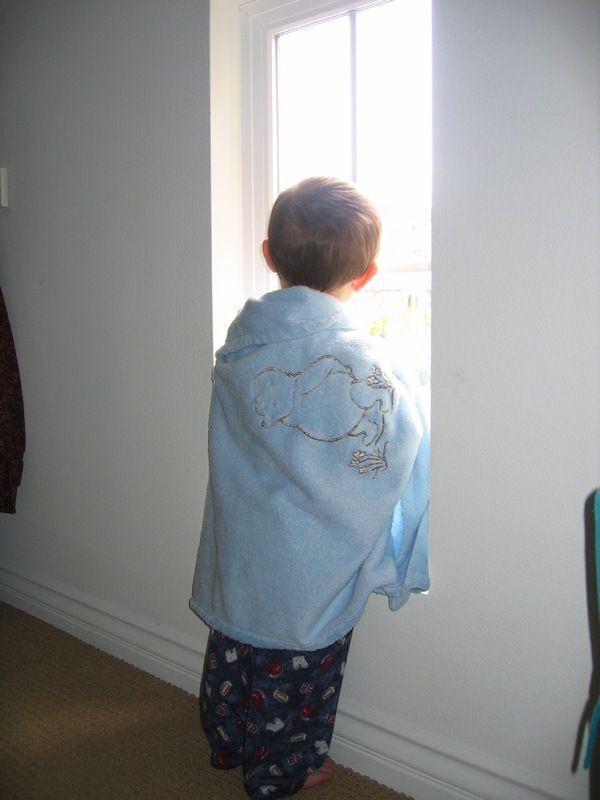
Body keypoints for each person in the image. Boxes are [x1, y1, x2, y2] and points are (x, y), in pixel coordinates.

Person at [190, 177, 430, 799]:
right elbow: (391, 447)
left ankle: (228, 740)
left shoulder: (241, 344)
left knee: (235, 647)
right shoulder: (365, 363)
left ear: (270, 255)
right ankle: (283, 771)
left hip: (245, 546)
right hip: (306, 563)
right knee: (295, 673)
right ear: (368, 275)